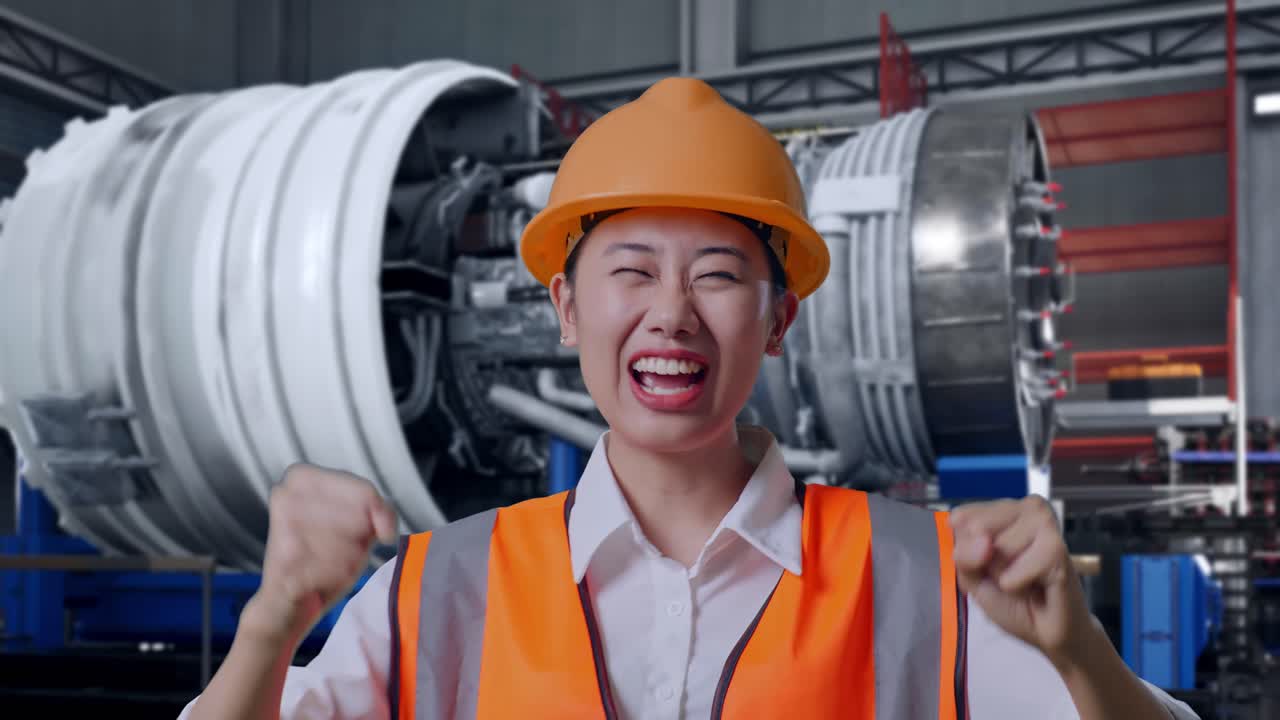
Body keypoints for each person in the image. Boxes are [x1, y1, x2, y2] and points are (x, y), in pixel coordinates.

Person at [181, 78, 1198, 720]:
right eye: (629, 270)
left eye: (716, 274)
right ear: (564, 311)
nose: (669, 313)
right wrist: (273, 624)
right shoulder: (437, 590)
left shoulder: (924, 583)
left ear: (778, 319)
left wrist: (1080, 658)